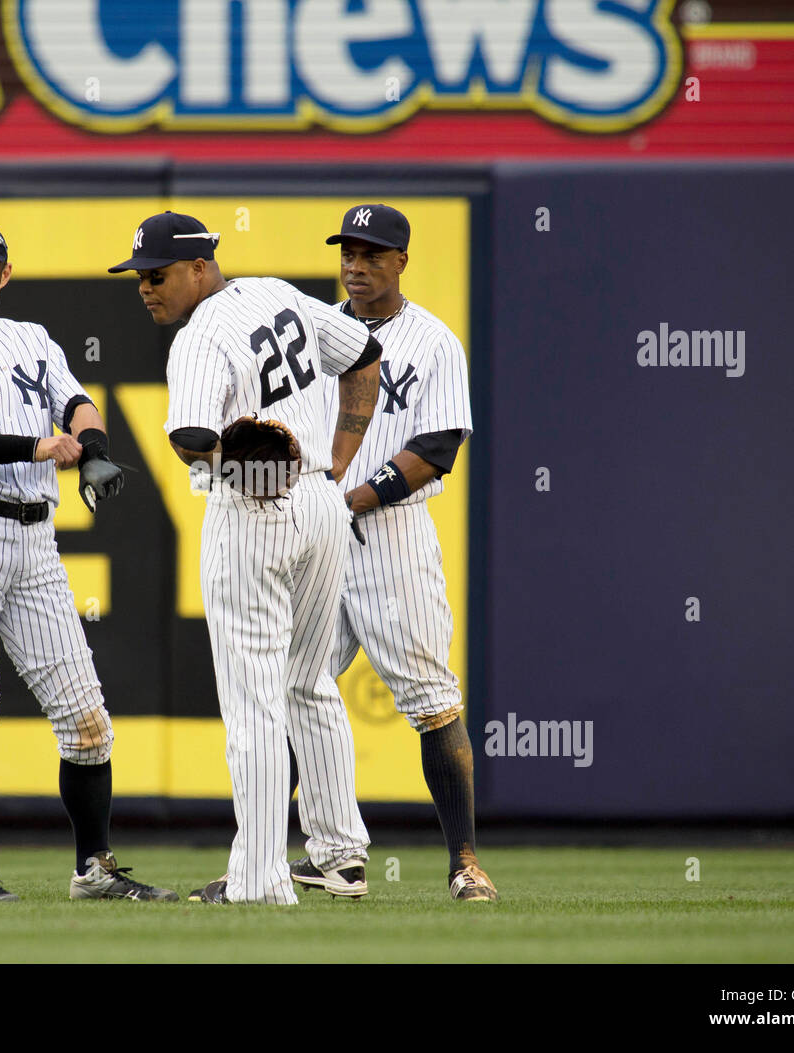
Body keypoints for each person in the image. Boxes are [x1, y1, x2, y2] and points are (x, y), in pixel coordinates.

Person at [0, 218, 176, 903]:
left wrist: (93, 444)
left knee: (86, 718)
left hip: (35, 544)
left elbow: (75, 400)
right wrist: (37, 447)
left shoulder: (32, 339)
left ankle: (94, 868)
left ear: (3, 276)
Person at [109, 211, 383, 904]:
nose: (146, 288)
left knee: (255, 701)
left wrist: (234, 454)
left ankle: (260, 879)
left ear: (201, 266)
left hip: (253, 510)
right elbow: (363, 356)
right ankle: (341, 856)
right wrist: (339, 456)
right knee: (310, 683)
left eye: (158, 274)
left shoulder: (200, 334)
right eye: (140, 276)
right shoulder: (278, 293)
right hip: (322, 503)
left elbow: (188, 435)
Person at [291, 203, 498, 902]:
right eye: (348, 251)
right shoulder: (318, 332)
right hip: (318, 536)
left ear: (402, 260)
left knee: (430, 697)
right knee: (294, 686)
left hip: (392, 535)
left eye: (372, 253)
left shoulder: (434, 341)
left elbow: (438, 447)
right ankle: (333, 859)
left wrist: (352, 497)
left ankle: (465, 862)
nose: (355, 264)